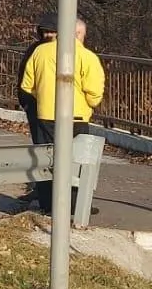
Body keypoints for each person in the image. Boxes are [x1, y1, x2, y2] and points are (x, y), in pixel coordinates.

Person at [20, 16, 105, 215]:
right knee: (77, 162)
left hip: (46, 116)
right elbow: (94, 91)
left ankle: (48, 205)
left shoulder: (40, 51)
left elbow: (27, 85)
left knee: (46, 159)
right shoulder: (87, 57)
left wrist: (44, 98)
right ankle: (74, 206)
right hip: (76, 117)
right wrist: (90, 103)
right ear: (78, 34)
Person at [17, 12, 57, 145]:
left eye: (52, 32)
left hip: (60, 106)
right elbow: (24, 76)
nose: (48, 35)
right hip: (36, 104)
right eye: (45, 32)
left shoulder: (67, 50)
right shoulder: (34, 49)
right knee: (41, 144)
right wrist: (26, 102)